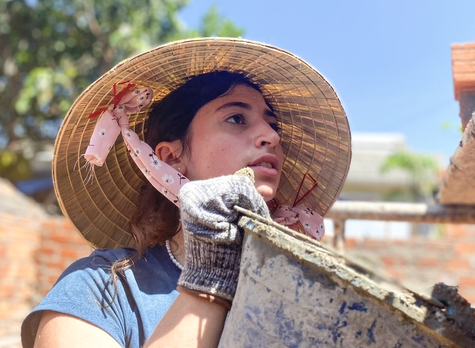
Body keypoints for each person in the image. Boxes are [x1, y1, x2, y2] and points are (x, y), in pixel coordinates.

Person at [21, 38, 352, 347]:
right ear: (169, 158)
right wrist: (211, 276)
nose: (271, 136)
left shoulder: (302, 293)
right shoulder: (102, 287)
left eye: (273, 126)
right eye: (237, 118)